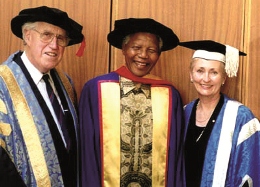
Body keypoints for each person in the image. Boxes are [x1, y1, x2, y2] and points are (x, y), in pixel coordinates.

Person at [79, 18, 185, 187]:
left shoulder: (170, 95)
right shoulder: (96, 90)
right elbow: (88, 156)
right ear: (124, 48)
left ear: (158, 55)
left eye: (152, 50)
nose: (143, 55)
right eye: (136, 48)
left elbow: (175, 158)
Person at [0, 6, 84, 186]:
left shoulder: (65, 82)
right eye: (46, 35)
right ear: (27, 36)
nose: (54, 45)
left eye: (61, 38)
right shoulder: (2, 84)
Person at [179, 40, 260, 187]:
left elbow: (251, 172)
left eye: (214, 72)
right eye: (200, 71)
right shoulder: (183, 113)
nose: (206, 79)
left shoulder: (241, 117)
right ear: (191, 75)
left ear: (223, 78)